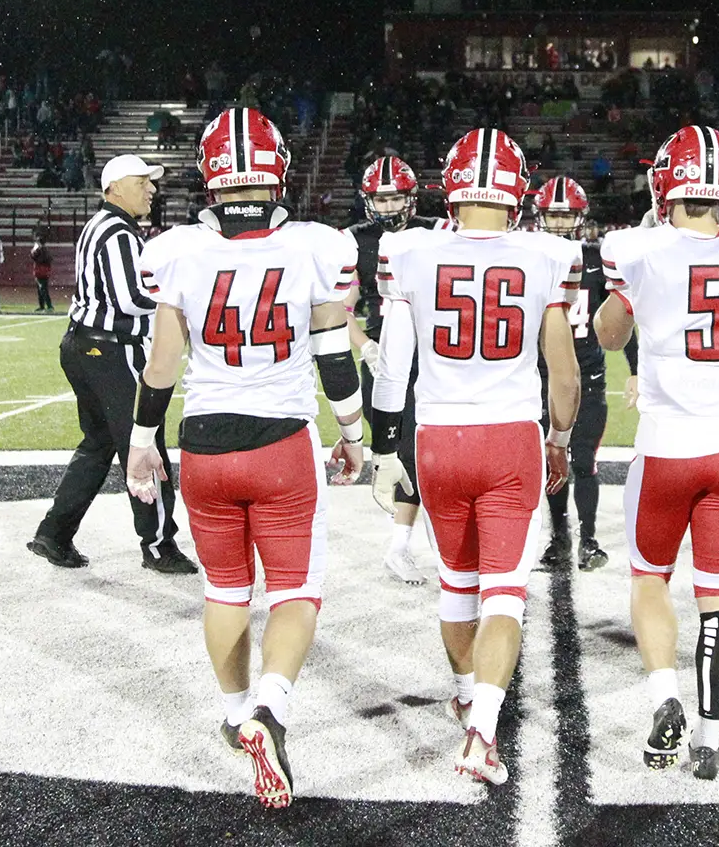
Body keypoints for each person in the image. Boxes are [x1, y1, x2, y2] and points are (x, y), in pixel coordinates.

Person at [124, 107, 365, 808]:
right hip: (281, 440)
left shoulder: (175, 250)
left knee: (226, 588)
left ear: (211, 175)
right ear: (278, 168)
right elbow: (332, 354)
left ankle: (234, 714)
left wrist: (142, 441)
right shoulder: (317, 244)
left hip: (204, 441)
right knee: (294, 590)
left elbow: (163, 365)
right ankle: (271, 707)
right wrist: (352, 433)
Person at [369, 128, 582, 787]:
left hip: (437, 438)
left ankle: (467, 690)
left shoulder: (407, 250)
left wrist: (384, 446)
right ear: (518, 191)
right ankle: (482, 732)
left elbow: (393, 365)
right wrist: (560, 438)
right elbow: (564, 373)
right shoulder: (549, 254)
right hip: (509, 437)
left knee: (458, 585)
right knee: (506, 593)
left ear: (449, 185)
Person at [593, 125, 719, 782]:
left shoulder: (640, 251)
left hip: (666, 448)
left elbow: (606, 334)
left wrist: (631, 300)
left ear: (665, 182)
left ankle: (665, 697)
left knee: (650, 580)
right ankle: (710, 742)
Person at [29, 154, 197, 575]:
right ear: (117, 186)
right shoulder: (119, 233)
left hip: (83, 346)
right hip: (111, 350)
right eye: (143, 182)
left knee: (98, 444)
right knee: (145, 447)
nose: (151, 190)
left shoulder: (99, 226)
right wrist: (181, 291)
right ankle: (159, 546)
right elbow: (132, 298)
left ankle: (54, 533)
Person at [344, 156, 447, 585]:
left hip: (435, 357)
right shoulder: (354, 241)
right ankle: (404, 546)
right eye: (379, 199)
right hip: (387, 360)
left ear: (411, 197)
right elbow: (340, 308)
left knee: (436, 453)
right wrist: (367, 346)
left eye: (394, 198)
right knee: (406, 454)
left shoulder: (439, 231)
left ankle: (428, 546)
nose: (386, 207)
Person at [534, 175, 611, 571]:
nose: (561, 225)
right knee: (552, 461)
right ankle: (559, 539)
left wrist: (634, 371)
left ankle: (590, 539)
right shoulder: (530, 256)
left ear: (581, 218)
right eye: (553, 216)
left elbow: (619, 317)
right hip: (544, 376)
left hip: (590, 372)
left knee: (583, 460)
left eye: (567, 217)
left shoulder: (596, 258)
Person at [31, 230, 55, 312]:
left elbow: (34, 257)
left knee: (43, 290)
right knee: (41, 290)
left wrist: (35, 250)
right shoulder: (44, 250)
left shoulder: (41, 250)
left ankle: (49, 306)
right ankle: (42, 306)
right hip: (42, 272)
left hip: (41, 272)